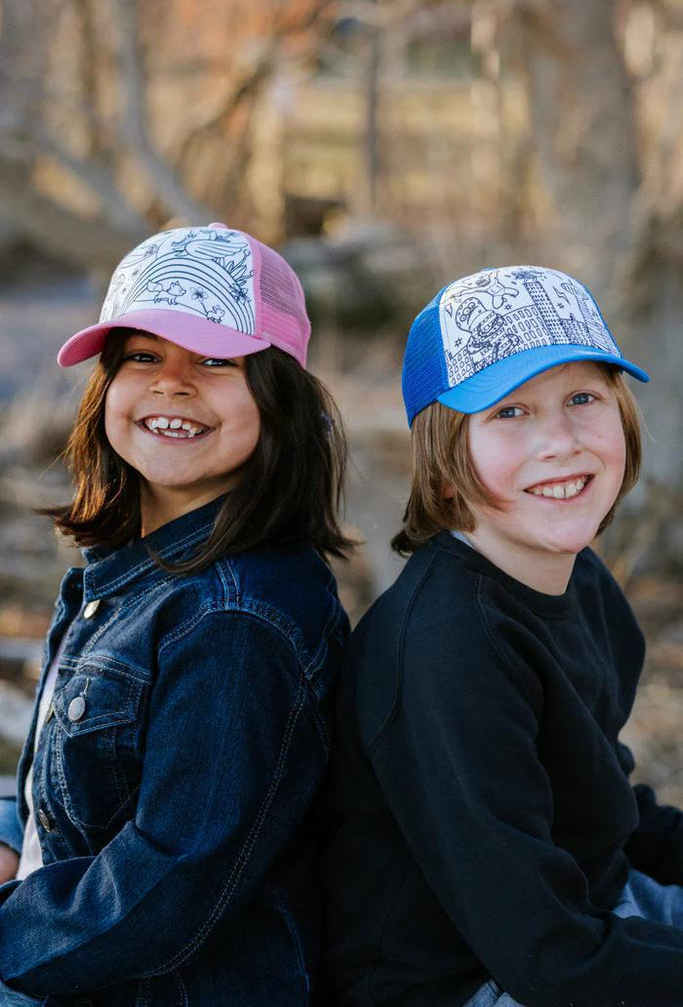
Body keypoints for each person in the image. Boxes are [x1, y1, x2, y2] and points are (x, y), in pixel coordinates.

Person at [0, 222, 351, 1006]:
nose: (171, 383)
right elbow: (78, 787)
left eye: (215, 360)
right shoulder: (130, 573)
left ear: (277, 394)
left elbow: (167, 884)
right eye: (143, 356)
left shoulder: (239, 620)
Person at [320, 265, 683, 1007]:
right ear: (445, 463)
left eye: (582, 398)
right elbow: (547, 959)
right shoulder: (447, 649)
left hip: (584, 913)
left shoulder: (577, 579)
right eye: (508, 413)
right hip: (467, 981)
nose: (558, 441)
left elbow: (601, 805)